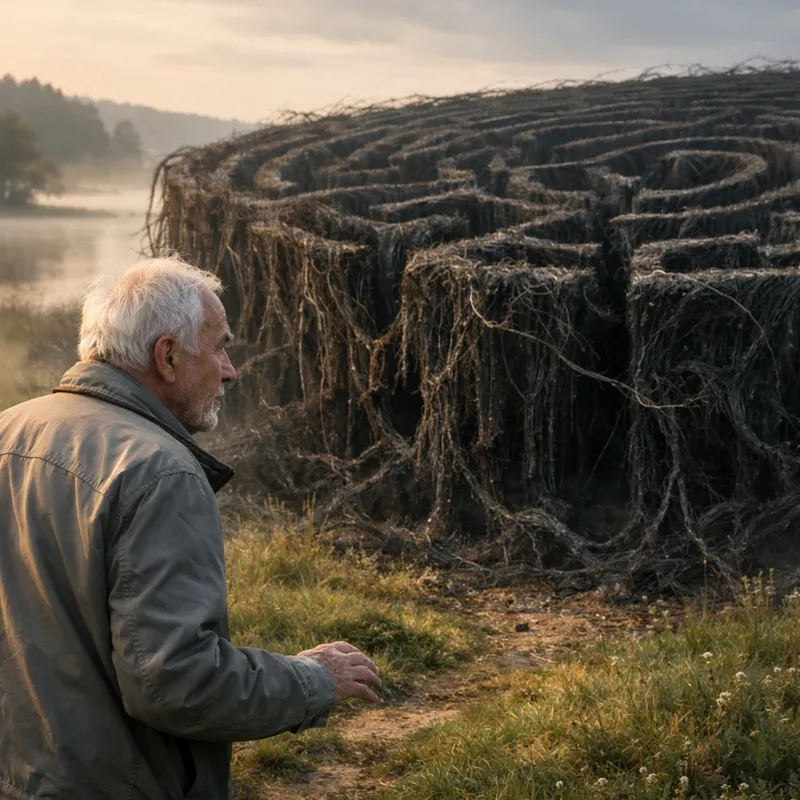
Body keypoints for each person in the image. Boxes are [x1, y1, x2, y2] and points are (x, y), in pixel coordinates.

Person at [0, 257, 382, 800]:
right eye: (221, 347)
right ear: (169, 356)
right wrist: (311, 679)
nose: (230, 369)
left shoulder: (10, 427)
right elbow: (173, 684)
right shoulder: (159, 472)